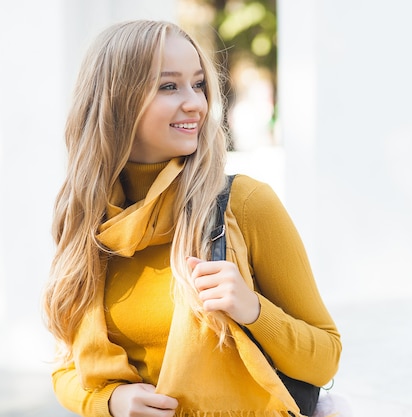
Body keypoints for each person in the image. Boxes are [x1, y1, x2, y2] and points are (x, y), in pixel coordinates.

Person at [42, 20, 341, 417]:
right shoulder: (89, 222)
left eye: (198, 84)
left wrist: (252, 310)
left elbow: (326, 358)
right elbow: (66, 365)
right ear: (116, 100)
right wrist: (108, 401)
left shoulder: (245, 204)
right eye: (169, 86)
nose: (196, 103)